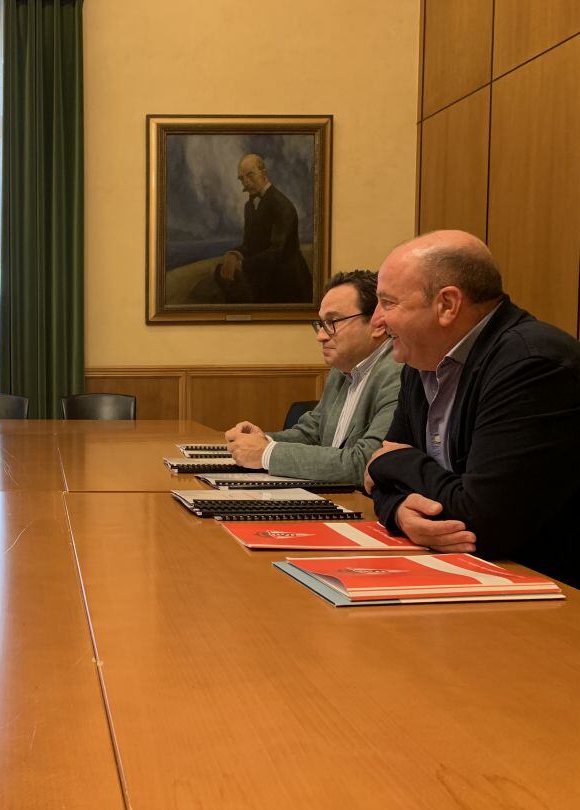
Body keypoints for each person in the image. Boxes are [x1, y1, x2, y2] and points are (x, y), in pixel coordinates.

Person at [365, 230, 580, 586]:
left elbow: (485, 522)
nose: (376, 321)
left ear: (448, 305)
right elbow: (376, 482)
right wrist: (400, 513)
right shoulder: (419, 364)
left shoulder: (532, 364)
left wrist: (394, 460)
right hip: (470, 578)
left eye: (388, 303)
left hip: (547, 592)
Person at [224, 270, 401, 483]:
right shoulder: (342, 369)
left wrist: (266, 453)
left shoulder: (399, 373)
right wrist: (258, 441)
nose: (321, 336)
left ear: (378, 325)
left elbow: (366, 463)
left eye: (333, 322)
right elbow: (312, 433)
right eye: (320, 324)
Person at [214, 153, 313, 303]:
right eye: (242, 179)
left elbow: (277, 252)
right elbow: (249, 244)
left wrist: (242, 265)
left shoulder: (282, 206)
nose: (246, 183)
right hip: (263, 274)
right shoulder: (249, 206)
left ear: (264, 173)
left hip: (287, 281)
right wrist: (233, 255)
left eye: (250, 175)